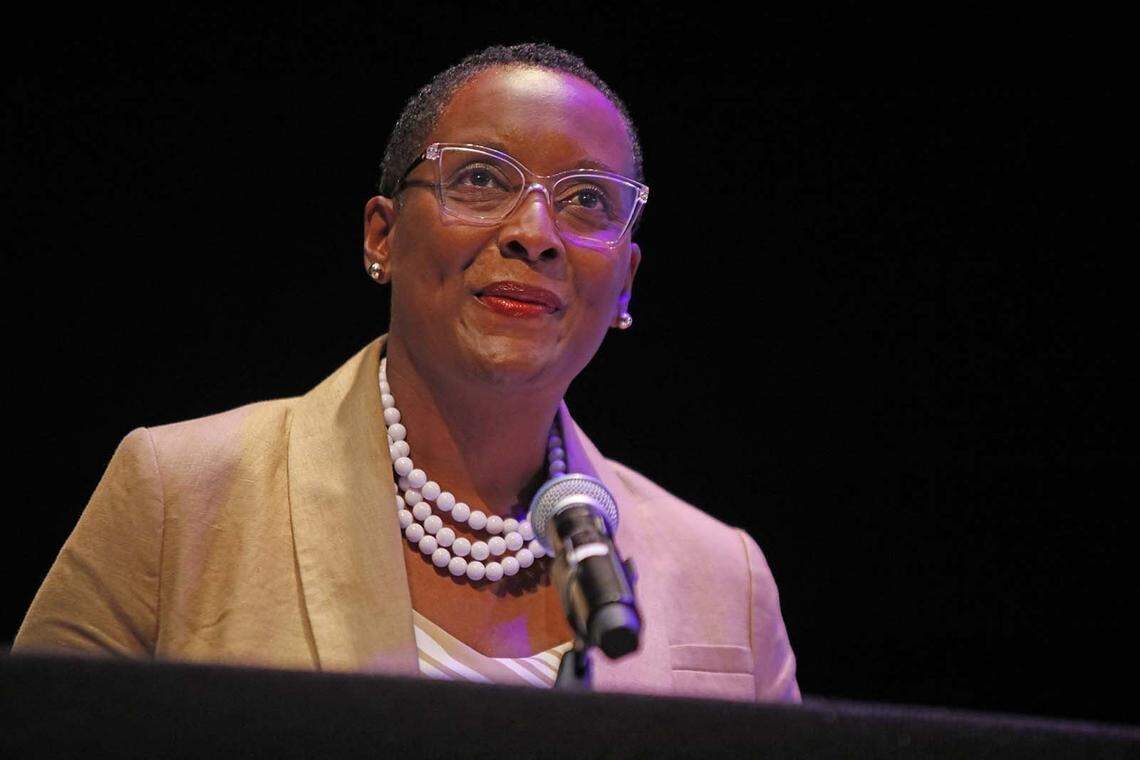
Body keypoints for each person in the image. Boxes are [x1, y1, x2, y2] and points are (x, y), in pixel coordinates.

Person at [12, 42, 800, 702]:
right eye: (482, 178)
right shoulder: (179, 492)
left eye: (587, 199)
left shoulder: (725, 576)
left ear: (625, 281)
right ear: (382, 236)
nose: (535, 232)